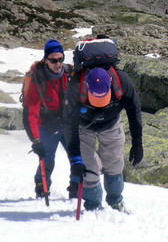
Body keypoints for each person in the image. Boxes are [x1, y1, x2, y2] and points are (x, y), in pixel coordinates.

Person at [65, 64, 143, 211]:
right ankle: (93, 206)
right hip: (83, 127)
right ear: (87, 87)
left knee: (114, 164)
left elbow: (134, 111)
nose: (99, 104)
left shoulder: (123, 82)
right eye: (95, 99)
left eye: (103, 99)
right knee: (89, 167)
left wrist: (137, 143)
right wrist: (75, 159)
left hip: (111, 124)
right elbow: (69, 126)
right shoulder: (75, 87)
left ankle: (116, 201)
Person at [22, 39, 72, 199]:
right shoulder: (38, 79)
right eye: (53, 60)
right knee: (47, 157)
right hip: (47, 124)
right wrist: (36, 140)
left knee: (77, 157)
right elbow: (30, 111)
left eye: (60, 59)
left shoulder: (69, 73)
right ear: (46, 60)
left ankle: (76, 189)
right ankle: (41, 187)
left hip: (67, 122)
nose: (58, 64)